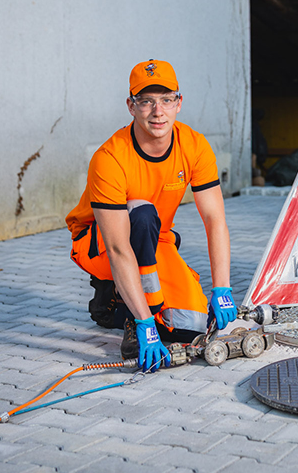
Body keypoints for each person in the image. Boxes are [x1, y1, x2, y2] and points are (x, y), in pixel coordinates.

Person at [65, 60, 237, 371]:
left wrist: (222, 288)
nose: (157, 111)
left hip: (155, 239)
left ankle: (114, 307)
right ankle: (130, 311)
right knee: (142, 213)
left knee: (193, 326)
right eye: (146, 101)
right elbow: (118, 247)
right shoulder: (110, 158)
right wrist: (145, 322)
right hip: (100, 242)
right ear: (131, 106)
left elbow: (215, 220)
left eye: (166, 99)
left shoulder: (194, 146)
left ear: (179, 103)